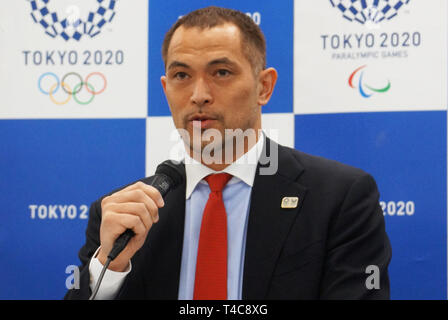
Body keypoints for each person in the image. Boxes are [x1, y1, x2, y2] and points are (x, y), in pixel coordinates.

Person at [65, 6, 391, 300]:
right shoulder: (124, 215)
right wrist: (111, 268)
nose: (199, 94)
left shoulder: (339, 198)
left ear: (264, 87)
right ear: (166, 90)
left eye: (221, 72)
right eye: (181, 76)